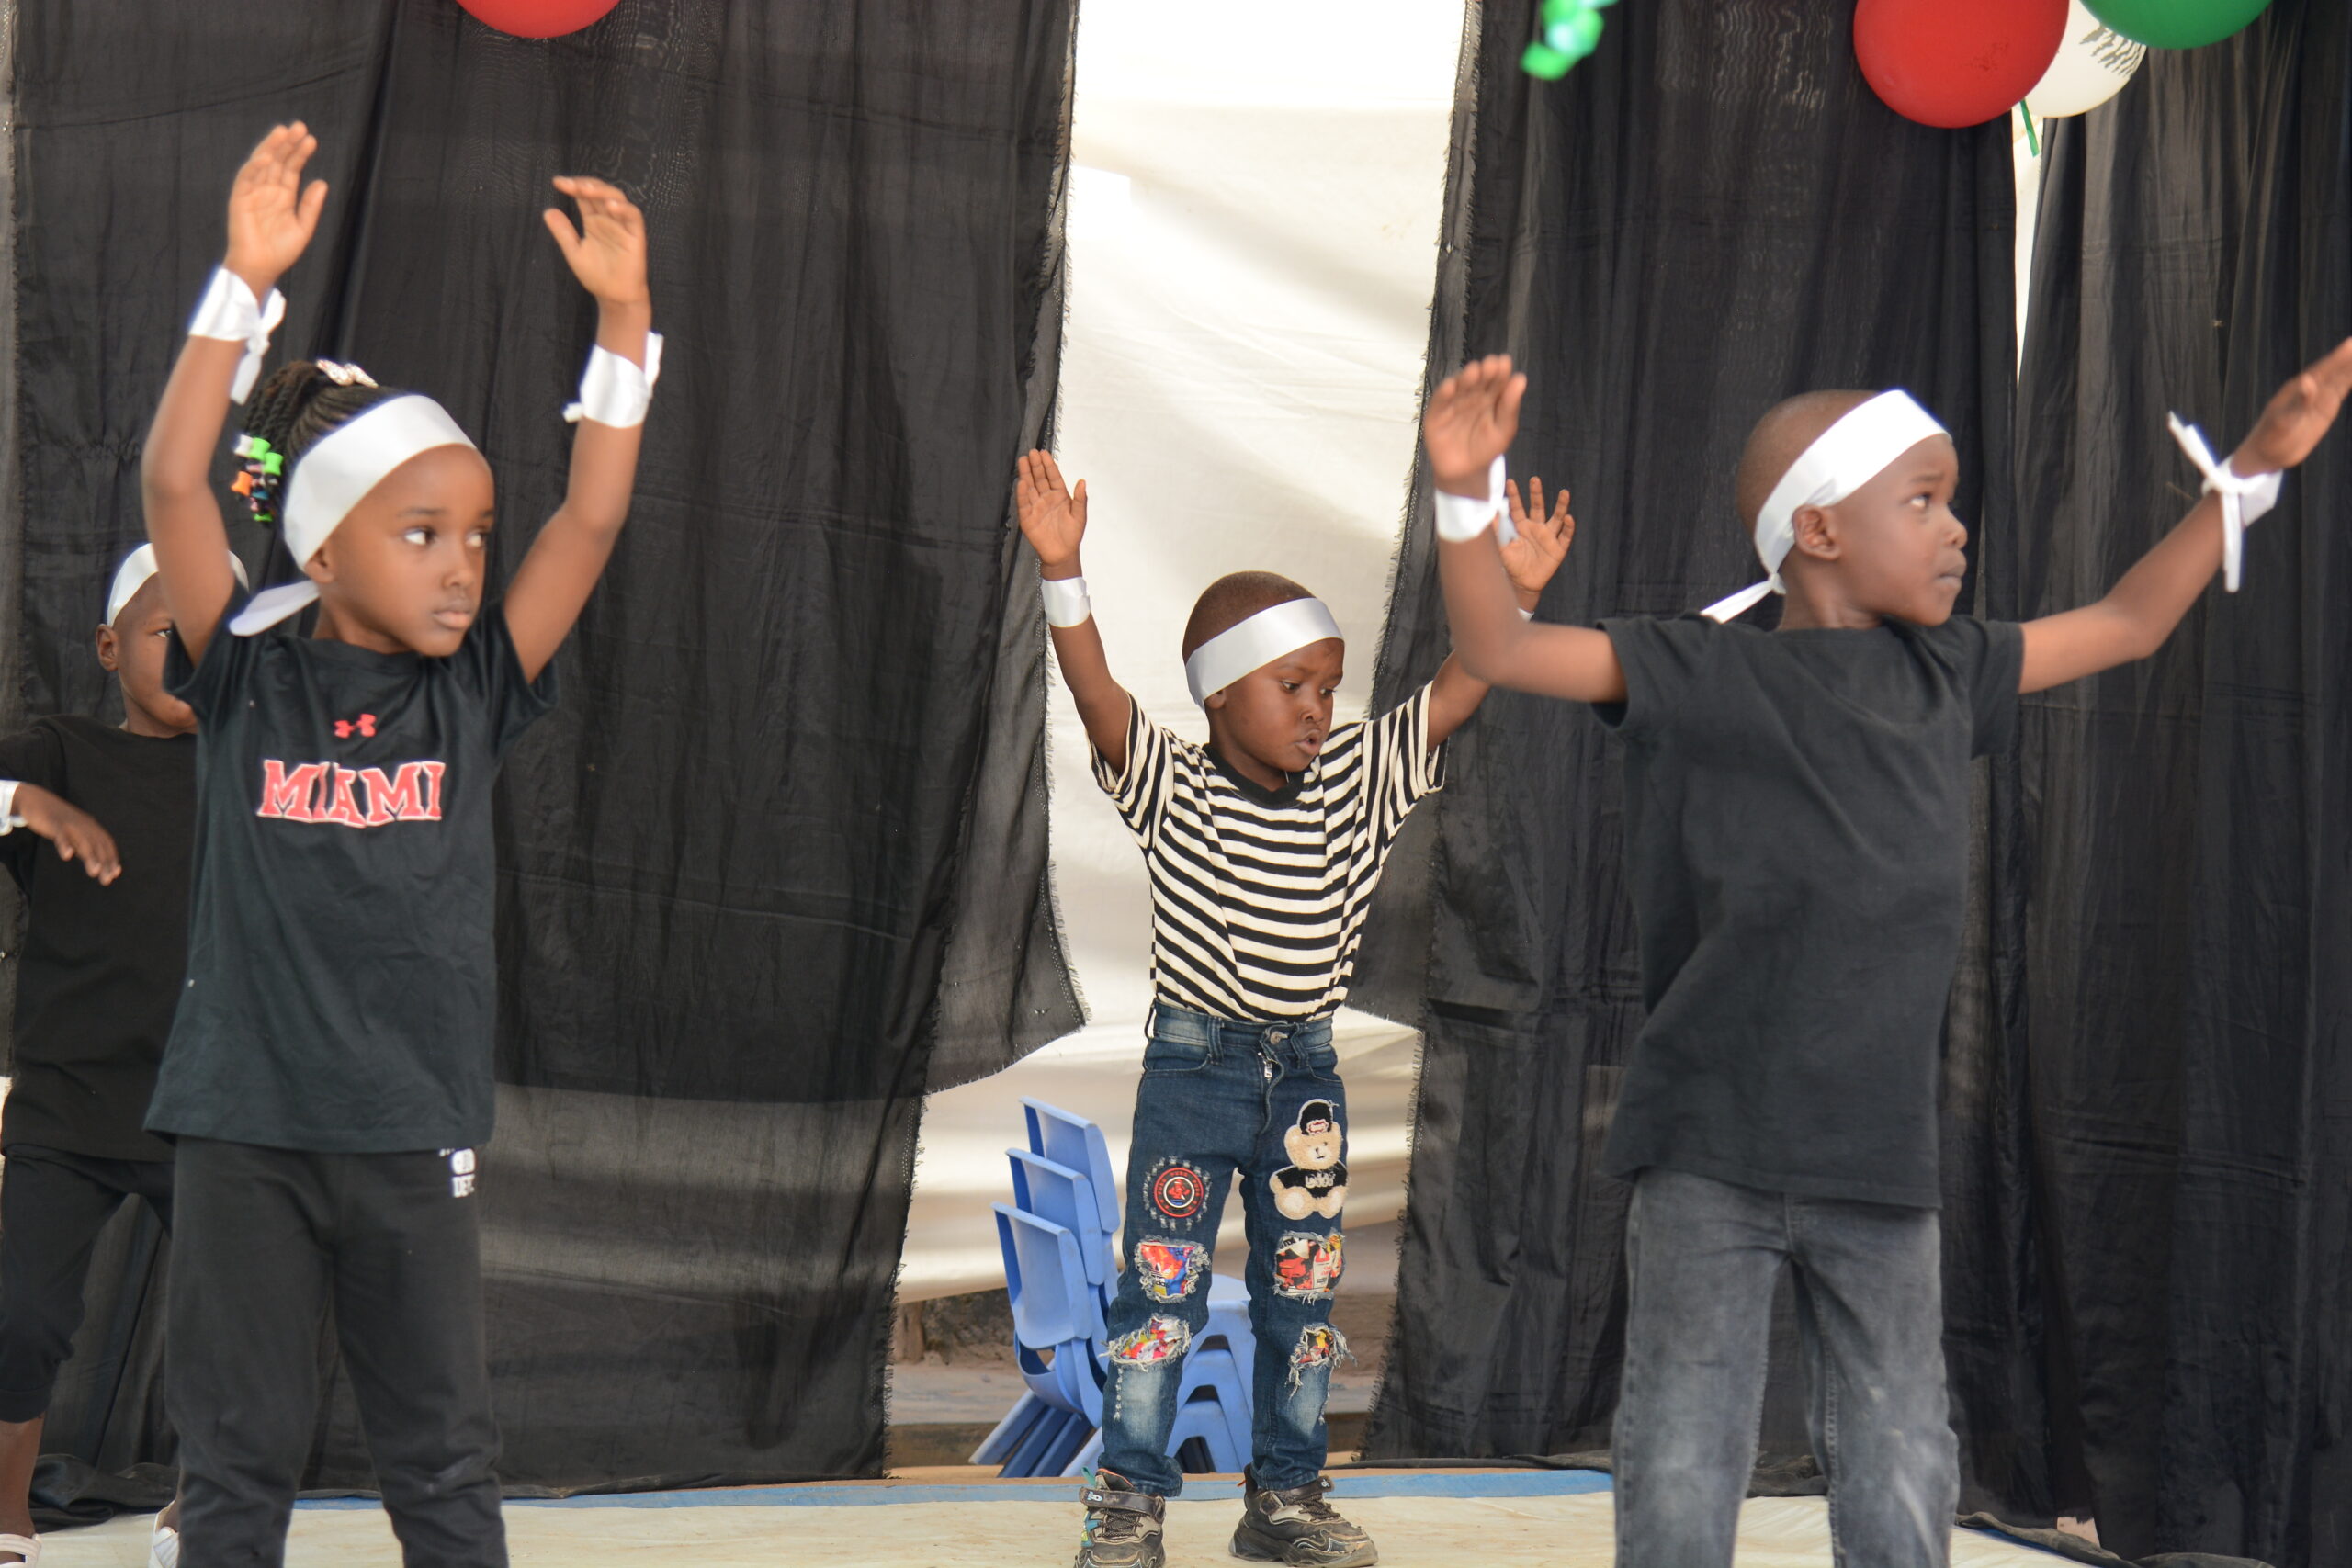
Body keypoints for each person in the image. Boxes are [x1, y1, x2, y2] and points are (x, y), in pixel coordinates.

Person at [1423, 345, 2352, 1568]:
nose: (1955, 528)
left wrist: (2251, 470)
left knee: (1903, 1444)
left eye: (1949, 500)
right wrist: (1464, 493)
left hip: (1875, 1154)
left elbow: (2131, 623)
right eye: (1922, 500)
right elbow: (1499, 647)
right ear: (1816, 529)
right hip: (1706, 1146)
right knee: (1685, 1443)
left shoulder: (1951, 670)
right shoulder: (1699, 666)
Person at [135, 122, 657, 1567]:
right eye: (422, 532)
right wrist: (240, 287)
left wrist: (625, 317)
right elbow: (175, 485)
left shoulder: (474, 689)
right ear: (323, 549)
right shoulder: (245, 675)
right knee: (233, 1464)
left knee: (440, 1460)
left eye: (477, 533)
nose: (465, 563)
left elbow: (593, 514)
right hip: (243, 1129)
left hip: (410, 1133)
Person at [1016, 448, 1573, 1568]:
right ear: (1221, 693)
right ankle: (1127, 1505)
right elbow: (1096, 695)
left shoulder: (1360, 784)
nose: (1319, 710)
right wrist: (1062, 574)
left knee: (1301, 1298)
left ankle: (1284, 1498)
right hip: (1195, 1073)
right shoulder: (1172, 786)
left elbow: (1458, 688)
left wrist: (1510, 595)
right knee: (1160, 1297)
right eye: (1294, 687)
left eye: (1328, 687)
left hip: (1306, 1085)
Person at [0, 543, 244, 1568]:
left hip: (215, 1108)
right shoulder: (61, 752)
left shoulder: (253, 773)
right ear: (109, 646)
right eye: (165, 632)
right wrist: (24, 802)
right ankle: (8, 1514)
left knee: (238, 1320)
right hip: (70, 1104)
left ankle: (200, 1507)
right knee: (19, 1315)